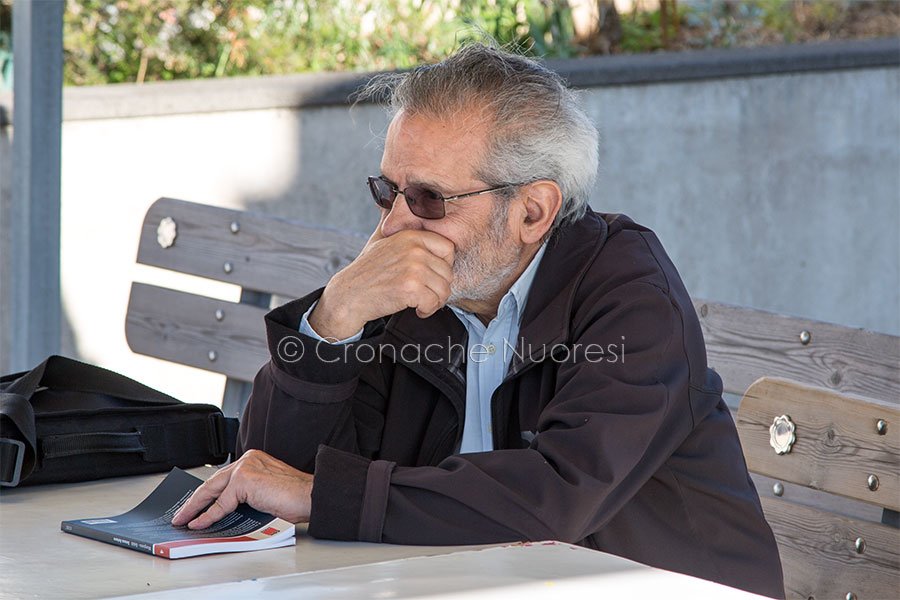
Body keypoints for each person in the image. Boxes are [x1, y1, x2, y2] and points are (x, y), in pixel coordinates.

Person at [173, 42, 784, 598]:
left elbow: (557, 496)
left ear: (532, 211)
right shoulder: (414, 292)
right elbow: (271, 478)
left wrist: (321, 495)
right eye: (387, 191)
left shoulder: (630, 292)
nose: (393, 227)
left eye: (429, 200)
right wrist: (332, 322)